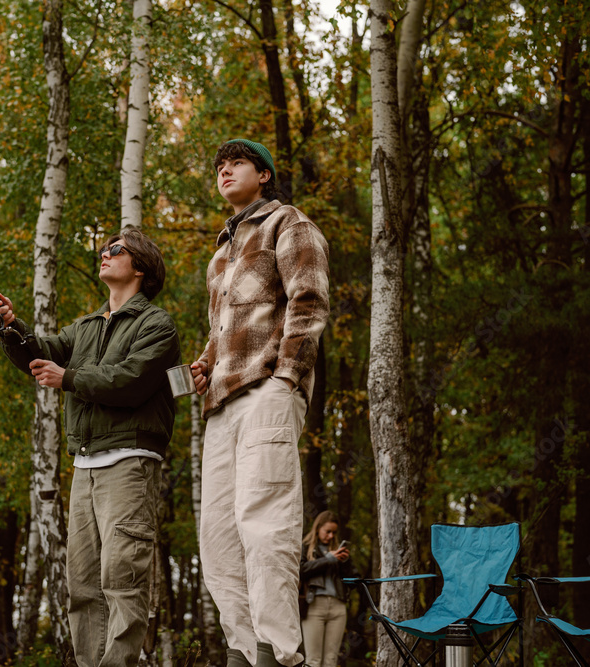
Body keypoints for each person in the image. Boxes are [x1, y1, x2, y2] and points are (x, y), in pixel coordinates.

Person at [0, 227, 179, 667]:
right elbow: (41, 353)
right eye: (104, 249)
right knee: (83, 585)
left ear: (141, 267)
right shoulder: (87, 326)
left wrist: (69, 378)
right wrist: (12, 327)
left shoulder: (157, 324)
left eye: (116, 249)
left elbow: (130, 381)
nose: (104, 254)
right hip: (85, 464)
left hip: (130, 461)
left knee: (122, 578)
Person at [190, 138, 331, 667]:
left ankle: (278, 655)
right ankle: (243, 653)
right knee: (218, 537)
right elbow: (220, 331)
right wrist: (205, 364)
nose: (225, 171)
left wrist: (287, 378)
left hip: (268, 391)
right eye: (219, 167)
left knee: (264, 522)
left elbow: (309, 300)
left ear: (264, 174)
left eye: (237, 164)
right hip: (221, 404)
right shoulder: (221, 254)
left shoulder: (287, 223)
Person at [300, 511, 354, 667]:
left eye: (334, 532)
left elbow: (353, 580)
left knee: (331, 661)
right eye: (327, 531)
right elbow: (301, 571)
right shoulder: (305, 547)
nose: (331, 536)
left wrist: (344, 562)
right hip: (314, 605)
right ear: (318, 529)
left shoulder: (338, 551)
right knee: (313, 660)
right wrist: (328, 559)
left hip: (338, 606)